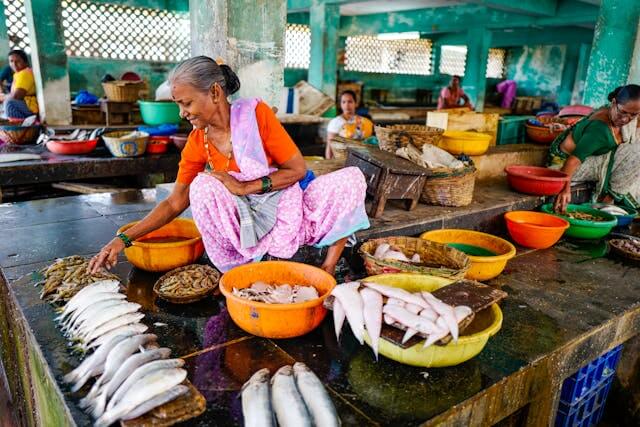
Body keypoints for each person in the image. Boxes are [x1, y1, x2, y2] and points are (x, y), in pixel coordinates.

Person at [89, 57, 370, 276]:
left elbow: (296, 170)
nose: (182, 113)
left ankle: (328, 268)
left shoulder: (255, 114)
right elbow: (175, 203)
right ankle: (240, 267)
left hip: (286, 207)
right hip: (243, 219)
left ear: (214, 92)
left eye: (186, 103)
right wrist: (124, 239)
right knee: (202, 186)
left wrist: (247, 186)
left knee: (351, 180)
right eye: (178, 105)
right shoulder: (199, 141)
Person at [549, 84, 640, 213]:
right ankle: (607, 200)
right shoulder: (600, 130)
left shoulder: (611, 111)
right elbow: (572, 162)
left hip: (585, 158)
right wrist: (565, 190)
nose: (626, 119)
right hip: (563, 165)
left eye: (633, 115)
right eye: (623, 112)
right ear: (614, 102)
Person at [325, 90, 373, 159]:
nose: (346, 105)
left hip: (363, 159)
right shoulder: (335, 122)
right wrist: (328, 162)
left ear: (356, 103)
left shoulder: (366, 122)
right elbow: (330, 146)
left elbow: (370, 144)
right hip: (341, 160)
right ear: (340, 104)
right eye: (343, 102)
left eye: (350, 101)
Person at [0, 50, 38, 119]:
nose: (14, 64)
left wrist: (3, 97)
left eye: (18, 61)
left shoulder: (25, 73)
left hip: (31, 107)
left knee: (9, 103)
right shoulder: (18, 74)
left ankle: (24, 126)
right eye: (11, 61)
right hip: (24, 106)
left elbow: (17, 96)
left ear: (25, 62)